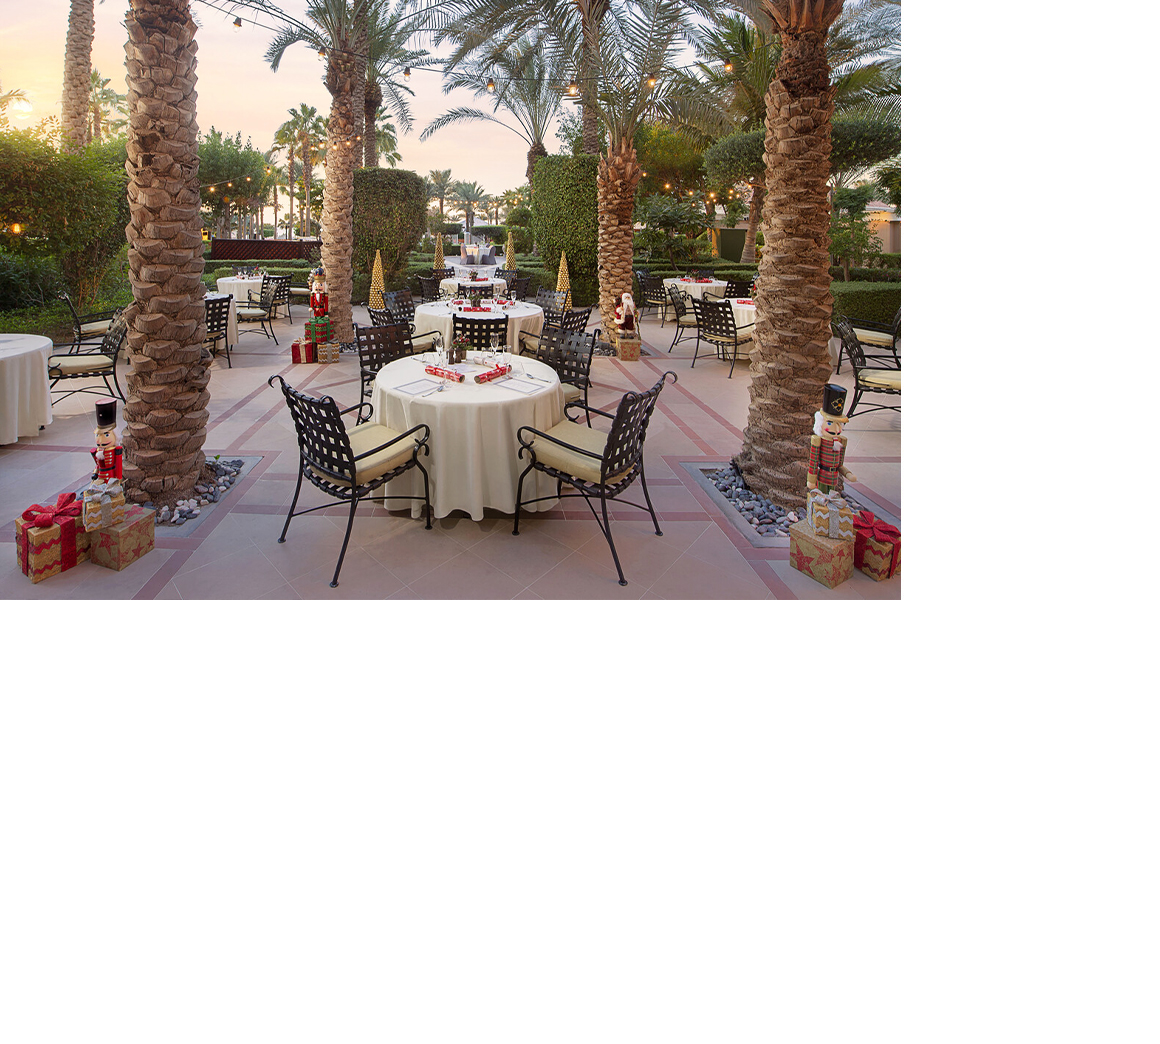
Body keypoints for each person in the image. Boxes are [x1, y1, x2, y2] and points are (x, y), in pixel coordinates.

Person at [807, 383, 857, 494]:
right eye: (830, 423)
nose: (836, 428)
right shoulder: (818, 441)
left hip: (834, 479)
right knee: (822, 495)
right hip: (822, 476)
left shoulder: (841, 441)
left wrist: (848, 474)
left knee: (832, 497)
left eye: (838, 424)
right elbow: (813, 461)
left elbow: (840, 464)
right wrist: (811, 479)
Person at [90, 399, 123, 484]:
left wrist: (119, 479)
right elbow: (98, 465)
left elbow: (118, 465)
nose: (100, 440)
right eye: (98, 435)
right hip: (101, 477)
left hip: (111, 477)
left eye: (106, 435)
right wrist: (95, 473)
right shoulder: (98, 451)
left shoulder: (116, 450)